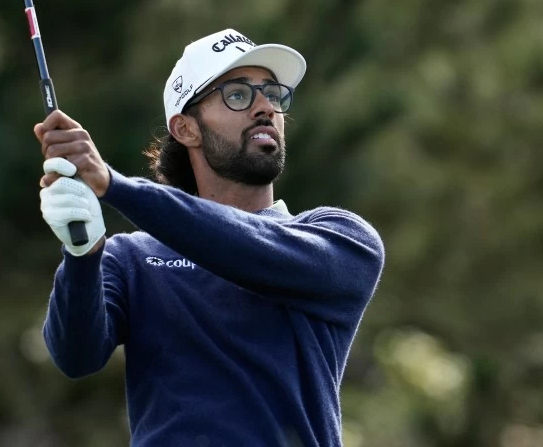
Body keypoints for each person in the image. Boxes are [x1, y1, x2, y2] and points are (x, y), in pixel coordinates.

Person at [34, 27, 385, 447]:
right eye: (238, 95)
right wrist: (81, 253)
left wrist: (114, 185)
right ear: (186, 129)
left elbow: (248, 248)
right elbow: (76, 357)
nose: (265, 108)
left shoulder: (341, 239)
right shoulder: (131, 259)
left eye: (272, 94)